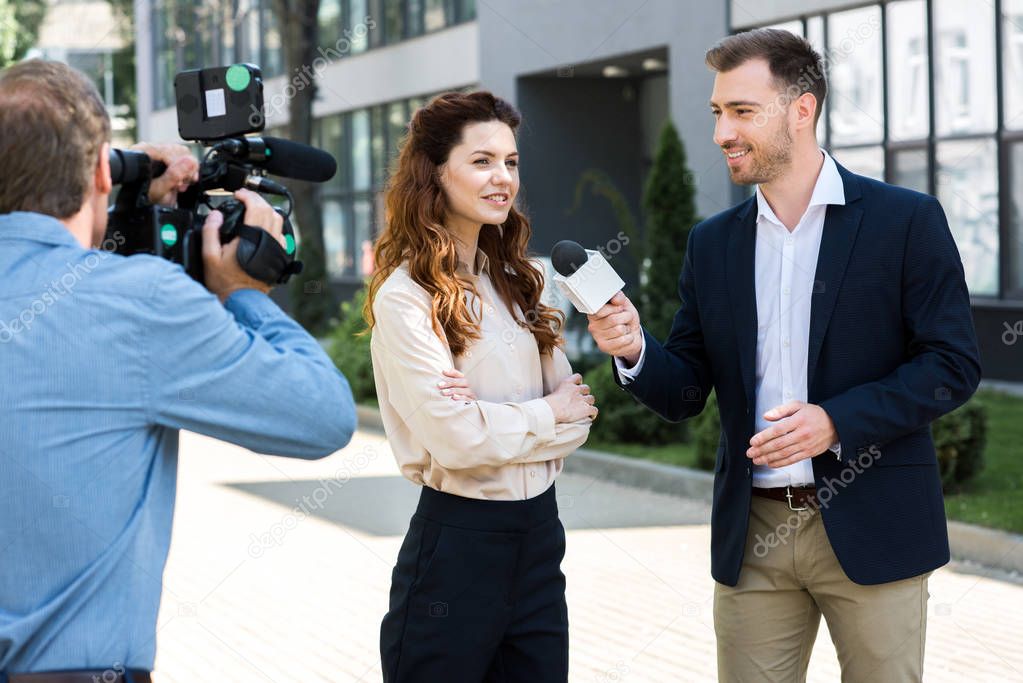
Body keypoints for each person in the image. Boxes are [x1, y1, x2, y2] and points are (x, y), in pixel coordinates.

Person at [586, 29, 981, 682]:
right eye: (717, 113)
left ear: (801, 110)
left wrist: (835, 420)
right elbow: (685, 391)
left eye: (741, 111)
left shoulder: (903, 221)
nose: (721, 132)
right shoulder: (712, 244)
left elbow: (951, 364)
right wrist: (633, 349)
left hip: (874, 522)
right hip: (754, 538)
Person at [0, 60, 357, 681]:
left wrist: (126, 197)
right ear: (96, 174)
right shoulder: (138, 302)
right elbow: (323, 416)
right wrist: (246, 290)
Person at [367, 91, 596, 683]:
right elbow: (459, 444)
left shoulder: (524, 284)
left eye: (511, 162)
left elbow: (579, 420)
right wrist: (543, 414)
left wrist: (499, 419)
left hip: (541, 541)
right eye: (482, 161)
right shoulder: (406, 298)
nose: (503, 178)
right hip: (457, 548)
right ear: (435, 173)